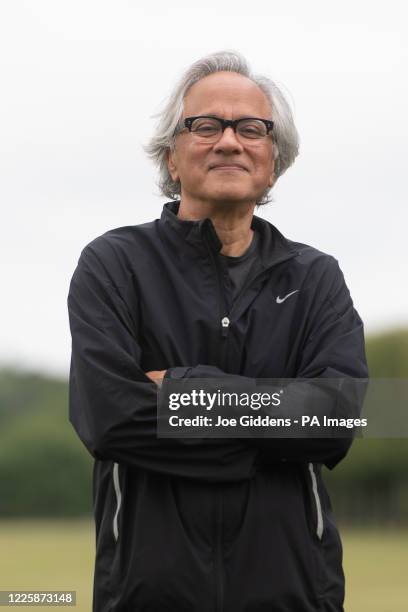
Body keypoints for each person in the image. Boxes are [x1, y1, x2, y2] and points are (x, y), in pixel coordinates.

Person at [68, 50, 368, 612]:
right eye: (206, 126)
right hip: (147, 594)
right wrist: (266, 436)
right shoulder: (113, 264)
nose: (229, 141)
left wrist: (183, 391)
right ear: (172, 160)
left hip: (295, 594)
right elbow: (110, 419)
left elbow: (338, 416)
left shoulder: (316, 276)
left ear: (272, 161)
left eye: (251, 128)